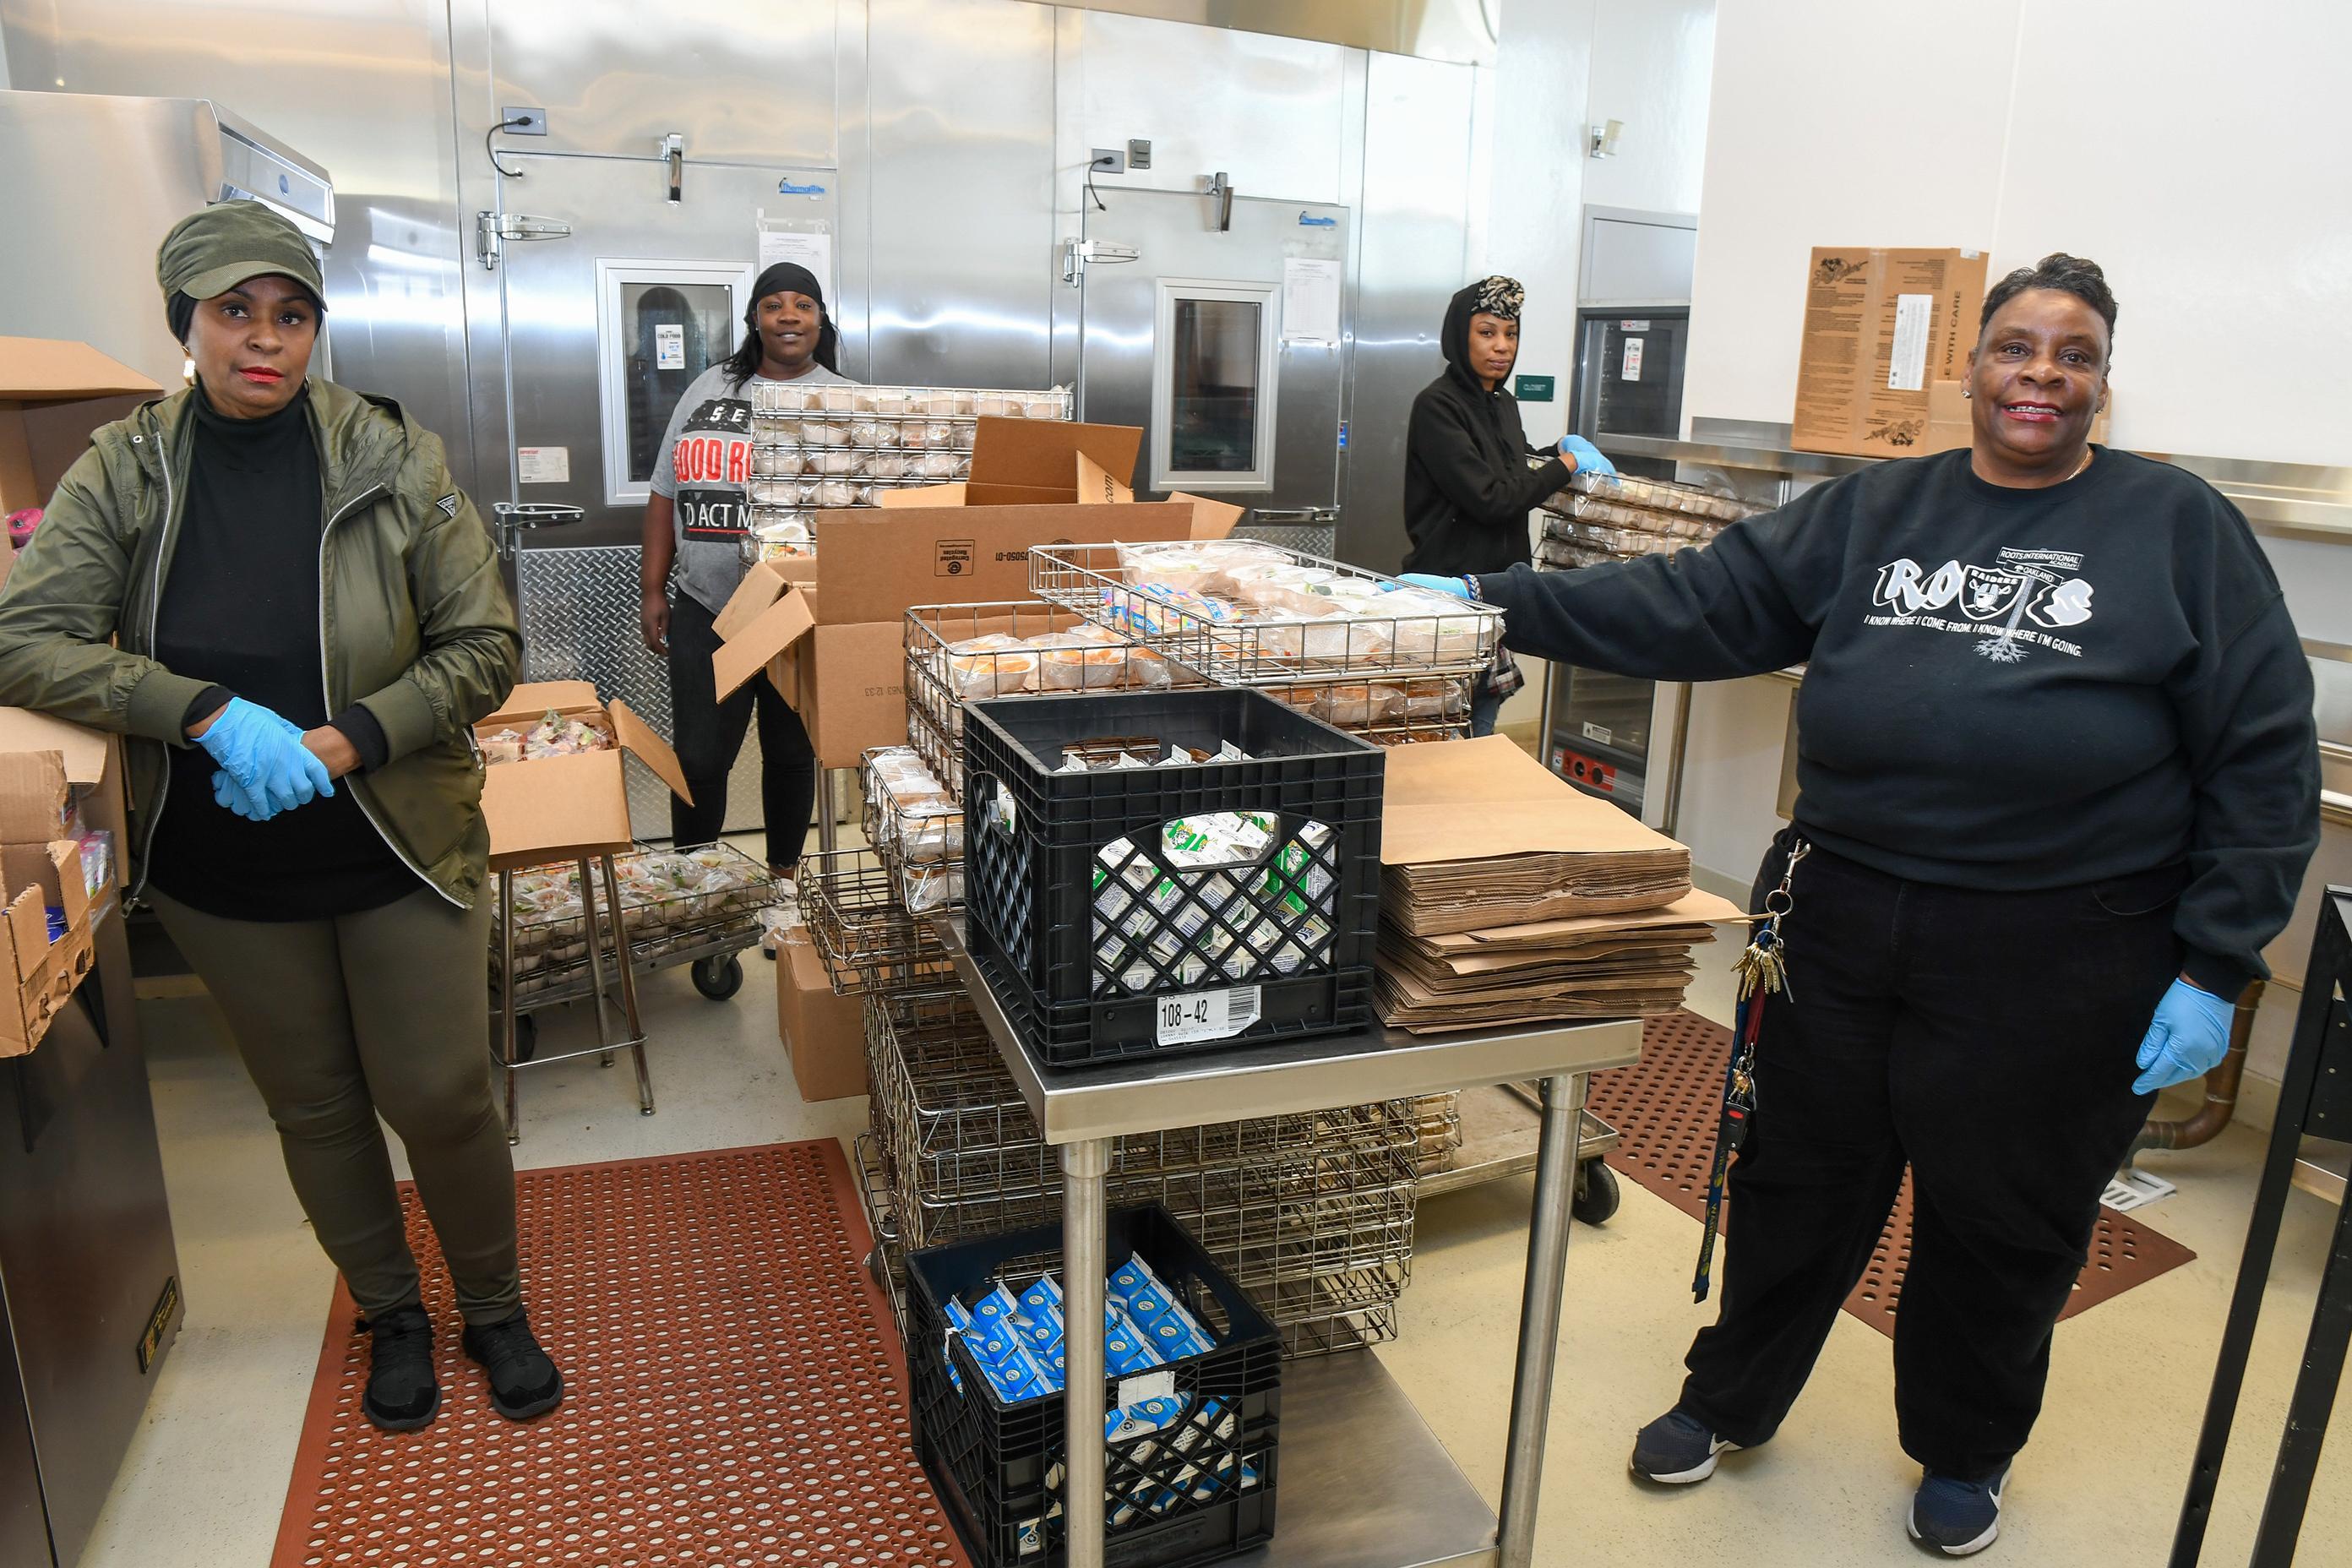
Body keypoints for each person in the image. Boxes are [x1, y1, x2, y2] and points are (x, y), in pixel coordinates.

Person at [1405, 253, 2319, 1555]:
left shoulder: (2177, 529)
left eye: (2073, 356)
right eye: (2016, 348)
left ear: (2104, 384)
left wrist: (2216, 962)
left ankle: (1964, 1448)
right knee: (1796, 1177)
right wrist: (1496, 599)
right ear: (1971, 368)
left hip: (2060, 948)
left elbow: (2263, 753)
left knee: (2001, 1216)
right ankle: (1729, 1399)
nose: (2040, 377)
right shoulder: (1878, 511)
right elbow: (1700, 601)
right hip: (1842, 918)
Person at [0, 201, 560, 1432]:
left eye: (291, 315)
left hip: (395, 838)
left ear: (316, 327)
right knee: (312, 1104)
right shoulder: (124, 469)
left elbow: (486, 647)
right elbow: (23, 639)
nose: (266, 340)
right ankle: (393, 1314)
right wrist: (199, 710)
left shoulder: (391, 459)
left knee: (443, 1094)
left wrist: (352, 733)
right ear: (185, 325)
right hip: (222, 859)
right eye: (234, 313)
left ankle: (495, 1306)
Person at [640, 263, 841, 933]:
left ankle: (781, 884)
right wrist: (652, 588)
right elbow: (664, 492)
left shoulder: (847, 401)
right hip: (708, 604)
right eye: (775, 304)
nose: (789, 316)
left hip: (799, 612)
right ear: (755, 317)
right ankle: (696, 890)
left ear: (820, 321)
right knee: (699, 756)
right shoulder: (707, 390)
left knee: (790, 753)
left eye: (804, 305)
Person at [1401, 275, 1614, 735]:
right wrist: (1566, 464)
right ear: (1460, 335)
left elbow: (1511, 473)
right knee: (1443, 729)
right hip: (1450, 595)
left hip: (1494, 597)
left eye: (1510, 334)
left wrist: (1554, 451)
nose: (1502, 346)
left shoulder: (1503, 403)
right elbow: (1491, 499)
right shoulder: (1438, 406)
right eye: (1487, 332)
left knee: (1481, 719)